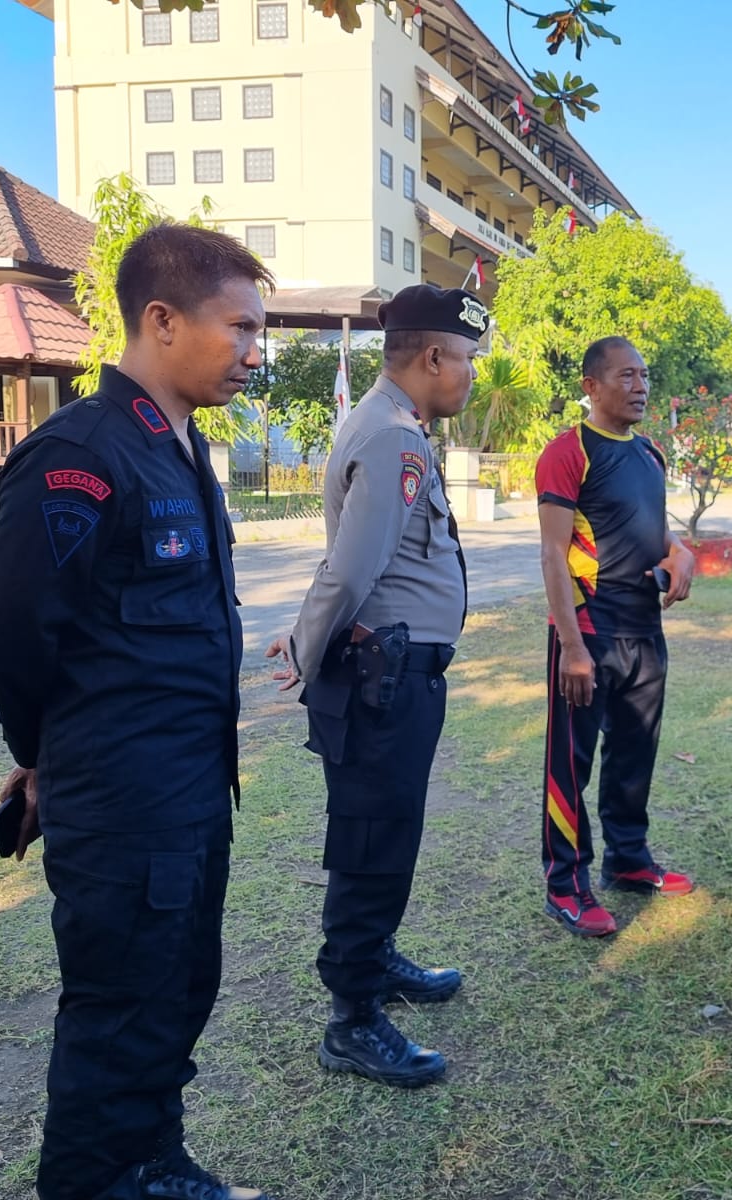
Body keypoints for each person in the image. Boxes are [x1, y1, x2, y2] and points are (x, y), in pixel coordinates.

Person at [0, 224, 274, 1200]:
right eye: (241, 328)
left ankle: (155, 1162)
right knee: (114, 1026)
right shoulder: (80, 457)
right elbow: (9, 633)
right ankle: (103, 1178)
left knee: (179, 994)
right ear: (161, 319)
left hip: (188, 796)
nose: (256, 352)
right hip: (124, 808)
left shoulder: (179, 448)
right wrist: (41, 754)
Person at [266, 284, 483, 1088]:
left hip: (397, 675)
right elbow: (350, 569)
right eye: (463, 360)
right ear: (432, 357)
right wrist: (303, 648)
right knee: (370, 842)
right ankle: (351, 1018)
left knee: (389, 833)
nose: (468, 376)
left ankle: (378, 959)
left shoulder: (393, 425)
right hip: (379, 680)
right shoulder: (394, 437)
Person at [536, 336, 698, 937]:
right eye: (626, 375)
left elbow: (658, 534)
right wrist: (571, 645)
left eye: (645, 375)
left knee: (634, 753)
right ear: (591, 386)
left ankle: (628, 861)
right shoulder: (568, 450)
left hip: (644, 631)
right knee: (569, 765)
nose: (640, 386)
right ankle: (565, 884)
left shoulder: (650, 454)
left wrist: (681, 556)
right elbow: (553, 553)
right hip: (589, 631)